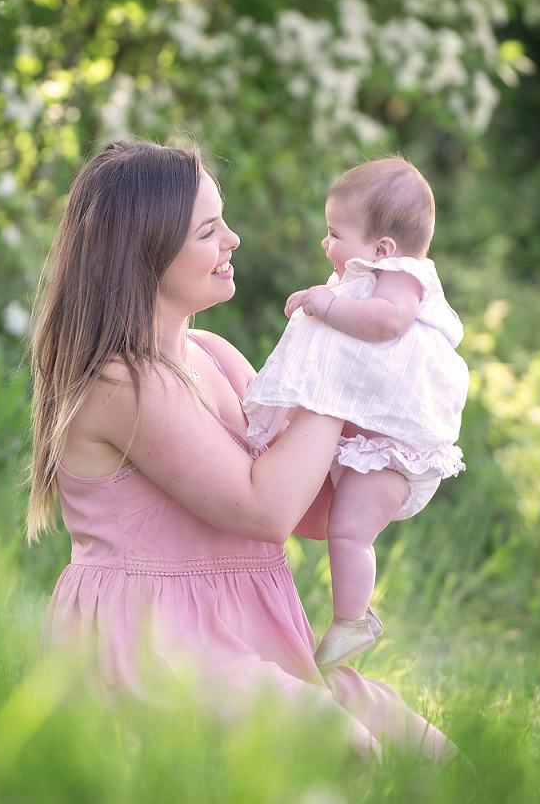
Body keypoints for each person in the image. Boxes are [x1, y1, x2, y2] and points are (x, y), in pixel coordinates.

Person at [29, 139, 453, 763]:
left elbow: (311, 510)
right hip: (155, 640)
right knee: (348, 755)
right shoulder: (123, 383)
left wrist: (388, 440)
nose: (232, 240)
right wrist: (341, 359)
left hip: (245, 630)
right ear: (144, 252)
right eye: (208, 231)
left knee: (434, 760)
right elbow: (267, 510)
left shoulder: (215, 355)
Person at [243, 157, 469, 670]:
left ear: (382, 249)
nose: (325, 244)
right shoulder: (364, 278)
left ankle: (352, 621)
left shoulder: (402, 278)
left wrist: (325, 305)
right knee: (340, 526)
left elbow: (388, 322)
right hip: (366, 446)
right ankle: (346, 619)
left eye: (334, 234)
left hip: (395, 455)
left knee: (349, 531)